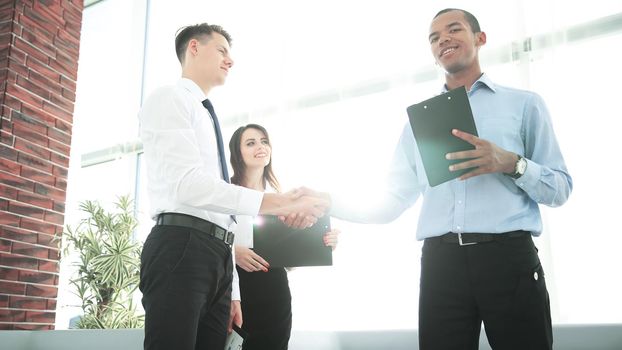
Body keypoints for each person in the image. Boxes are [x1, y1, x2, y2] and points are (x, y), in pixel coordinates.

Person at [302, 8, 572, 350]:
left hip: (508, 258)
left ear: (480, 38)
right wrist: (330, 201)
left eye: (454, 29)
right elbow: (392, 201)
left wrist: (511, 163)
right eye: (434, 37)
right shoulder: (418, 123)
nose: (442, 39)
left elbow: (560, 188)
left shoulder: (524, 105)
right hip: (441, 265)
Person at [138, 23, 328, 350]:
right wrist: (279, 202)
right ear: (194, 48)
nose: (230, 60)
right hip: (182, 245)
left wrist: (231, 290)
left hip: (217, 259)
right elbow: (188, 186)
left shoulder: (206, 114)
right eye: (223, 51)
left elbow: (221, 217)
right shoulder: (170, 98)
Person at [228, 123, 339, 350]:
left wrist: (323, 243)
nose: (261, 146)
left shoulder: (281, 201)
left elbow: (288, 262)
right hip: (235, 289)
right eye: (250, 143)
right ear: (237, 154)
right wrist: (233, 252)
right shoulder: (226, 194)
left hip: (274, 289)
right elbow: (206, 239)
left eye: (264, 141)